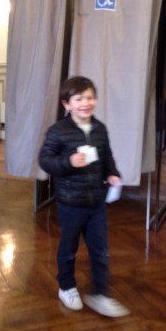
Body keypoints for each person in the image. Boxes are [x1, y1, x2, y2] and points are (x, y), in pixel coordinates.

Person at [38, 76, 130, 318]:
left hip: (96, 202)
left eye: (90, 97)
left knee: (101, 250)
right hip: (70, 203)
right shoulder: (58, 131)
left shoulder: (100, 129)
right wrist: (68, 161)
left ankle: (100, 294)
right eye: (79, 99)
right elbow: (45, 161)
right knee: (68, 249)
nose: (85, 103)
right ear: (66, 104)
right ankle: (66, 287)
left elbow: (107, 157)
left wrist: (112, 174)